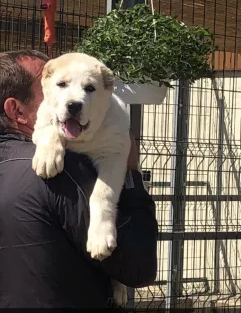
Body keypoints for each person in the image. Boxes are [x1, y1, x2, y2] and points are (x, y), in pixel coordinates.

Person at [0, 50, 158, 308]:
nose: (74, 98)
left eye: (88, 87)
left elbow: (109, 160)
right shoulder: (68, 175)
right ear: (16, 109)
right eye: (60, 84)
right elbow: (139, 266)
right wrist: (132, 176)